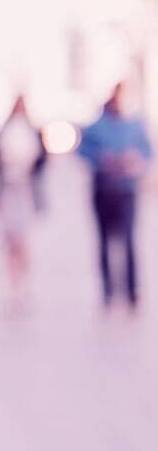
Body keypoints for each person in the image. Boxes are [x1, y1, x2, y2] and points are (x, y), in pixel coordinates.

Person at [77, 82, 152, 311]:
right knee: (104, 242)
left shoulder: (135, 125)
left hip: (127, 190)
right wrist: (102, 158)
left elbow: (148, 153)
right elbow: (83, 150)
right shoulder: (97, 126)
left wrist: (135, 161)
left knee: (128, 241)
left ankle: (131, 292)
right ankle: (108, 291)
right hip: (103, 190)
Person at [0, 95, 48, 312]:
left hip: (25, 192)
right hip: (7, 192)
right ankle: (10, 283)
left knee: (23, 240)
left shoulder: (34, 133)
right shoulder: (2, 133)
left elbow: (42, 163)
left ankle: (24, 282)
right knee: (8, 240)